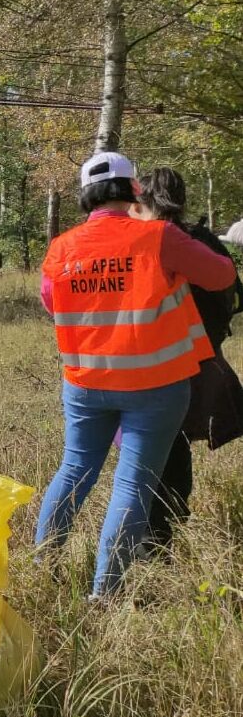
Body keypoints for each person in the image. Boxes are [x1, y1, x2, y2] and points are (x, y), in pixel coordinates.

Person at [35, 153, 236, 596]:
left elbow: (52, 302)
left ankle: (41, 564)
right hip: (156, 387)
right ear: (135, 191)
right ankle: (105, 593)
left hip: (85, 384)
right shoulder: (159, 237)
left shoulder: (61, 248)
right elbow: (222, 276)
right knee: (133, 484)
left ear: (85, 197)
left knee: (72, 471)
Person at [131, 168, 242, 552]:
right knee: (173, 442)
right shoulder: (204, 241)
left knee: (158, 445)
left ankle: (156, 534)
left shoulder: (149, 241)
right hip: (201, 360)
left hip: (154, 363)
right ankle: (170, 519)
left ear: (144, 198)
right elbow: (230, 294)